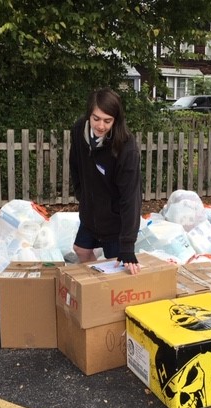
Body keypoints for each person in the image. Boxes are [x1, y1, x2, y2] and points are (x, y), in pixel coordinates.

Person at [69, 87, 142, 275]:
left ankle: (107, 288)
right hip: (91, 214)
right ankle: (97, 283)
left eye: (107, 121)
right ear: (89, 115)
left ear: (116, 120)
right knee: (81, 250)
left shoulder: (126, 147)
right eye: (96, 119)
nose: (101, 126)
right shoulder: (79, 130)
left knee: (117, 267)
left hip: (115, 221)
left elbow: (131, 198)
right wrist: (82, 196)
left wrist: (127, 246)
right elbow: (75, 164)